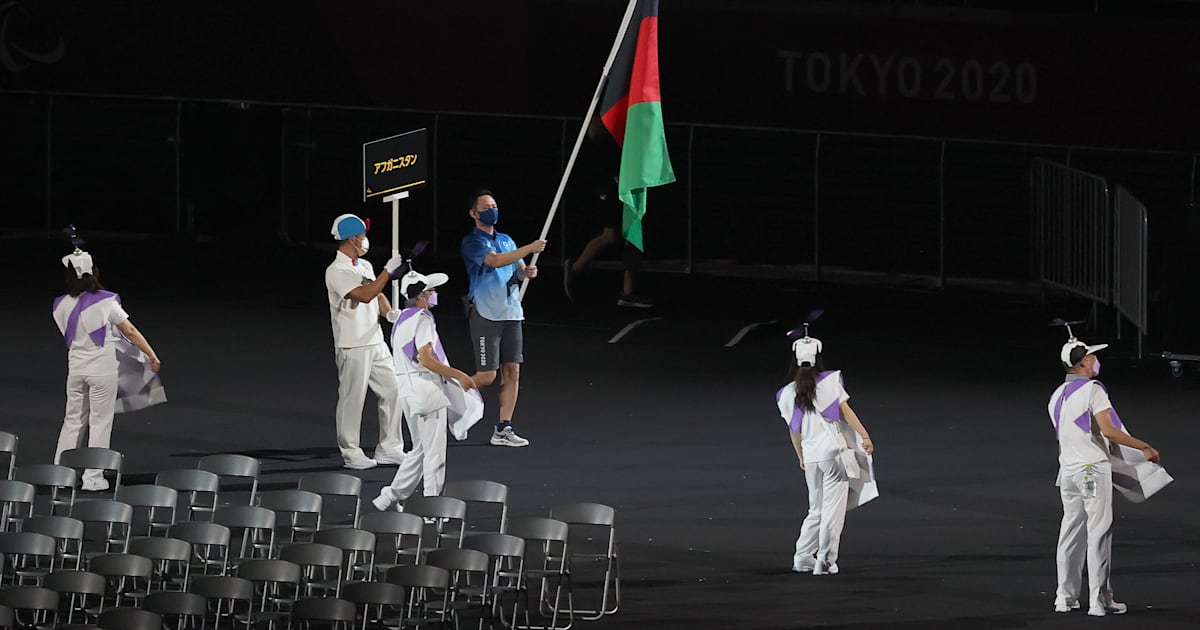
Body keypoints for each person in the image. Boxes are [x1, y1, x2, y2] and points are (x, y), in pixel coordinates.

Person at [1048, 333, 1160, 616]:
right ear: (1085, 362)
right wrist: (1144, 446)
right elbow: (1108, 430)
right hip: (1091, 470)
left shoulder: (1056, 396)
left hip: (1069, 470)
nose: (1097, 360)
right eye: (1094, 356)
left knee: (1070, 532)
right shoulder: (1093, 390)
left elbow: (1064, 438)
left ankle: (1065, 597)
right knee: (1099, 532)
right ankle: (1100, 601)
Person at [52, 243, 161, 492]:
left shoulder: (59, 305)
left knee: (73, 420)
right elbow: (130, 331)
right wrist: (151, 355)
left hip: (76, 368)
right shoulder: (106, 302)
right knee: (100, 421)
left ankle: (59, 473)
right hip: (101, 369)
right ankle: (92, 477)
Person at [373, 267, 478, 511]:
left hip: (408, 392)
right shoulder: (422, 319)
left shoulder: (401, 318)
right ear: (421, 296)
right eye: (431, 291)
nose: (434, 294)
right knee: (434, 453)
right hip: (426, 390)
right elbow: (428, 360)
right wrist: (459, 375)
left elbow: (387, 312)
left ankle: (390, 495)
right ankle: (432, 507)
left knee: (419, 448)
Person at [776, 333, 873, 576]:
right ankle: (826, 562)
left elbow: (794, 431)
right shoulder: (829, 382)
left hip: (811, 456)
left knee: (816, 508)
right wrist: (865, 436)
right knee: (832, 511)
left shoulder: (786, 393)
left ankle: (802, 557)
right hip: (834, 454)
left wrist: (800, 455)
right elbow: (846, 412)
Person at [461, 190, 546, 447]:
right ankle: (445, 399)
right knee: (487, 375)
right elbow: (495, 261)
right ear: (474, 213)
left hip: (511, 313)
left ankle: (503, 428)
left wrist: (526, 272)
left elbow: (516, 270)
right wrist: (529, 248)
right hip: (487, 314)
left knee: (512, 372)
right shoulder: (472, 242)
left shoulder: (507, 239)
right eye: (486, 206)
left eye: (495, 205)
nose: (492, 210)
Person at [325, 213, 407, 470]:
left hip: (375, 340)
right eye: (362, 235)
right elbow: (363, 294)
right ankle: (351, 452)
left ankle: (390, 448)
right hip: (352, 344)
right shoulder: (336, 270)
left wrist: (389, 312)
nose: (365, 239)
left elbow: (377, 293)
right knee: (353, 398)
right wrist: (388, 271)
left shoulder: (364, 266)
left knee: (393, 390)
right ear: (352, 238)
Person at [563, 116, 652, 308]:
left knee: (633, 233)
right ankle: (575, 267)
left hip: (631, 178)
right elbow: (594, 132)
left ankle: (628, 292)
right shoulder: (607, 110)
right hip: (609, 181)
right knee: (611, 234)